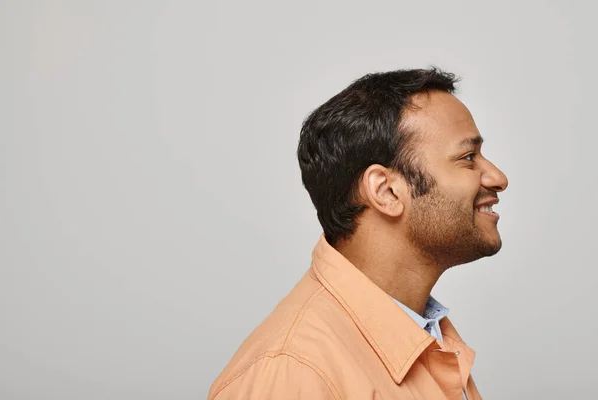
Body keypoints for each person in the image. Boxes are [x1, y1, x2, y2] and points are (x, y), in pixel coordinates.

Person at [207, 68, 508, 399]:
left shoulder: (427, 336)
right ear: (386, 192)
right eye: (468, 158)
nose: (498, 177)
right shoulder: (293, 374)